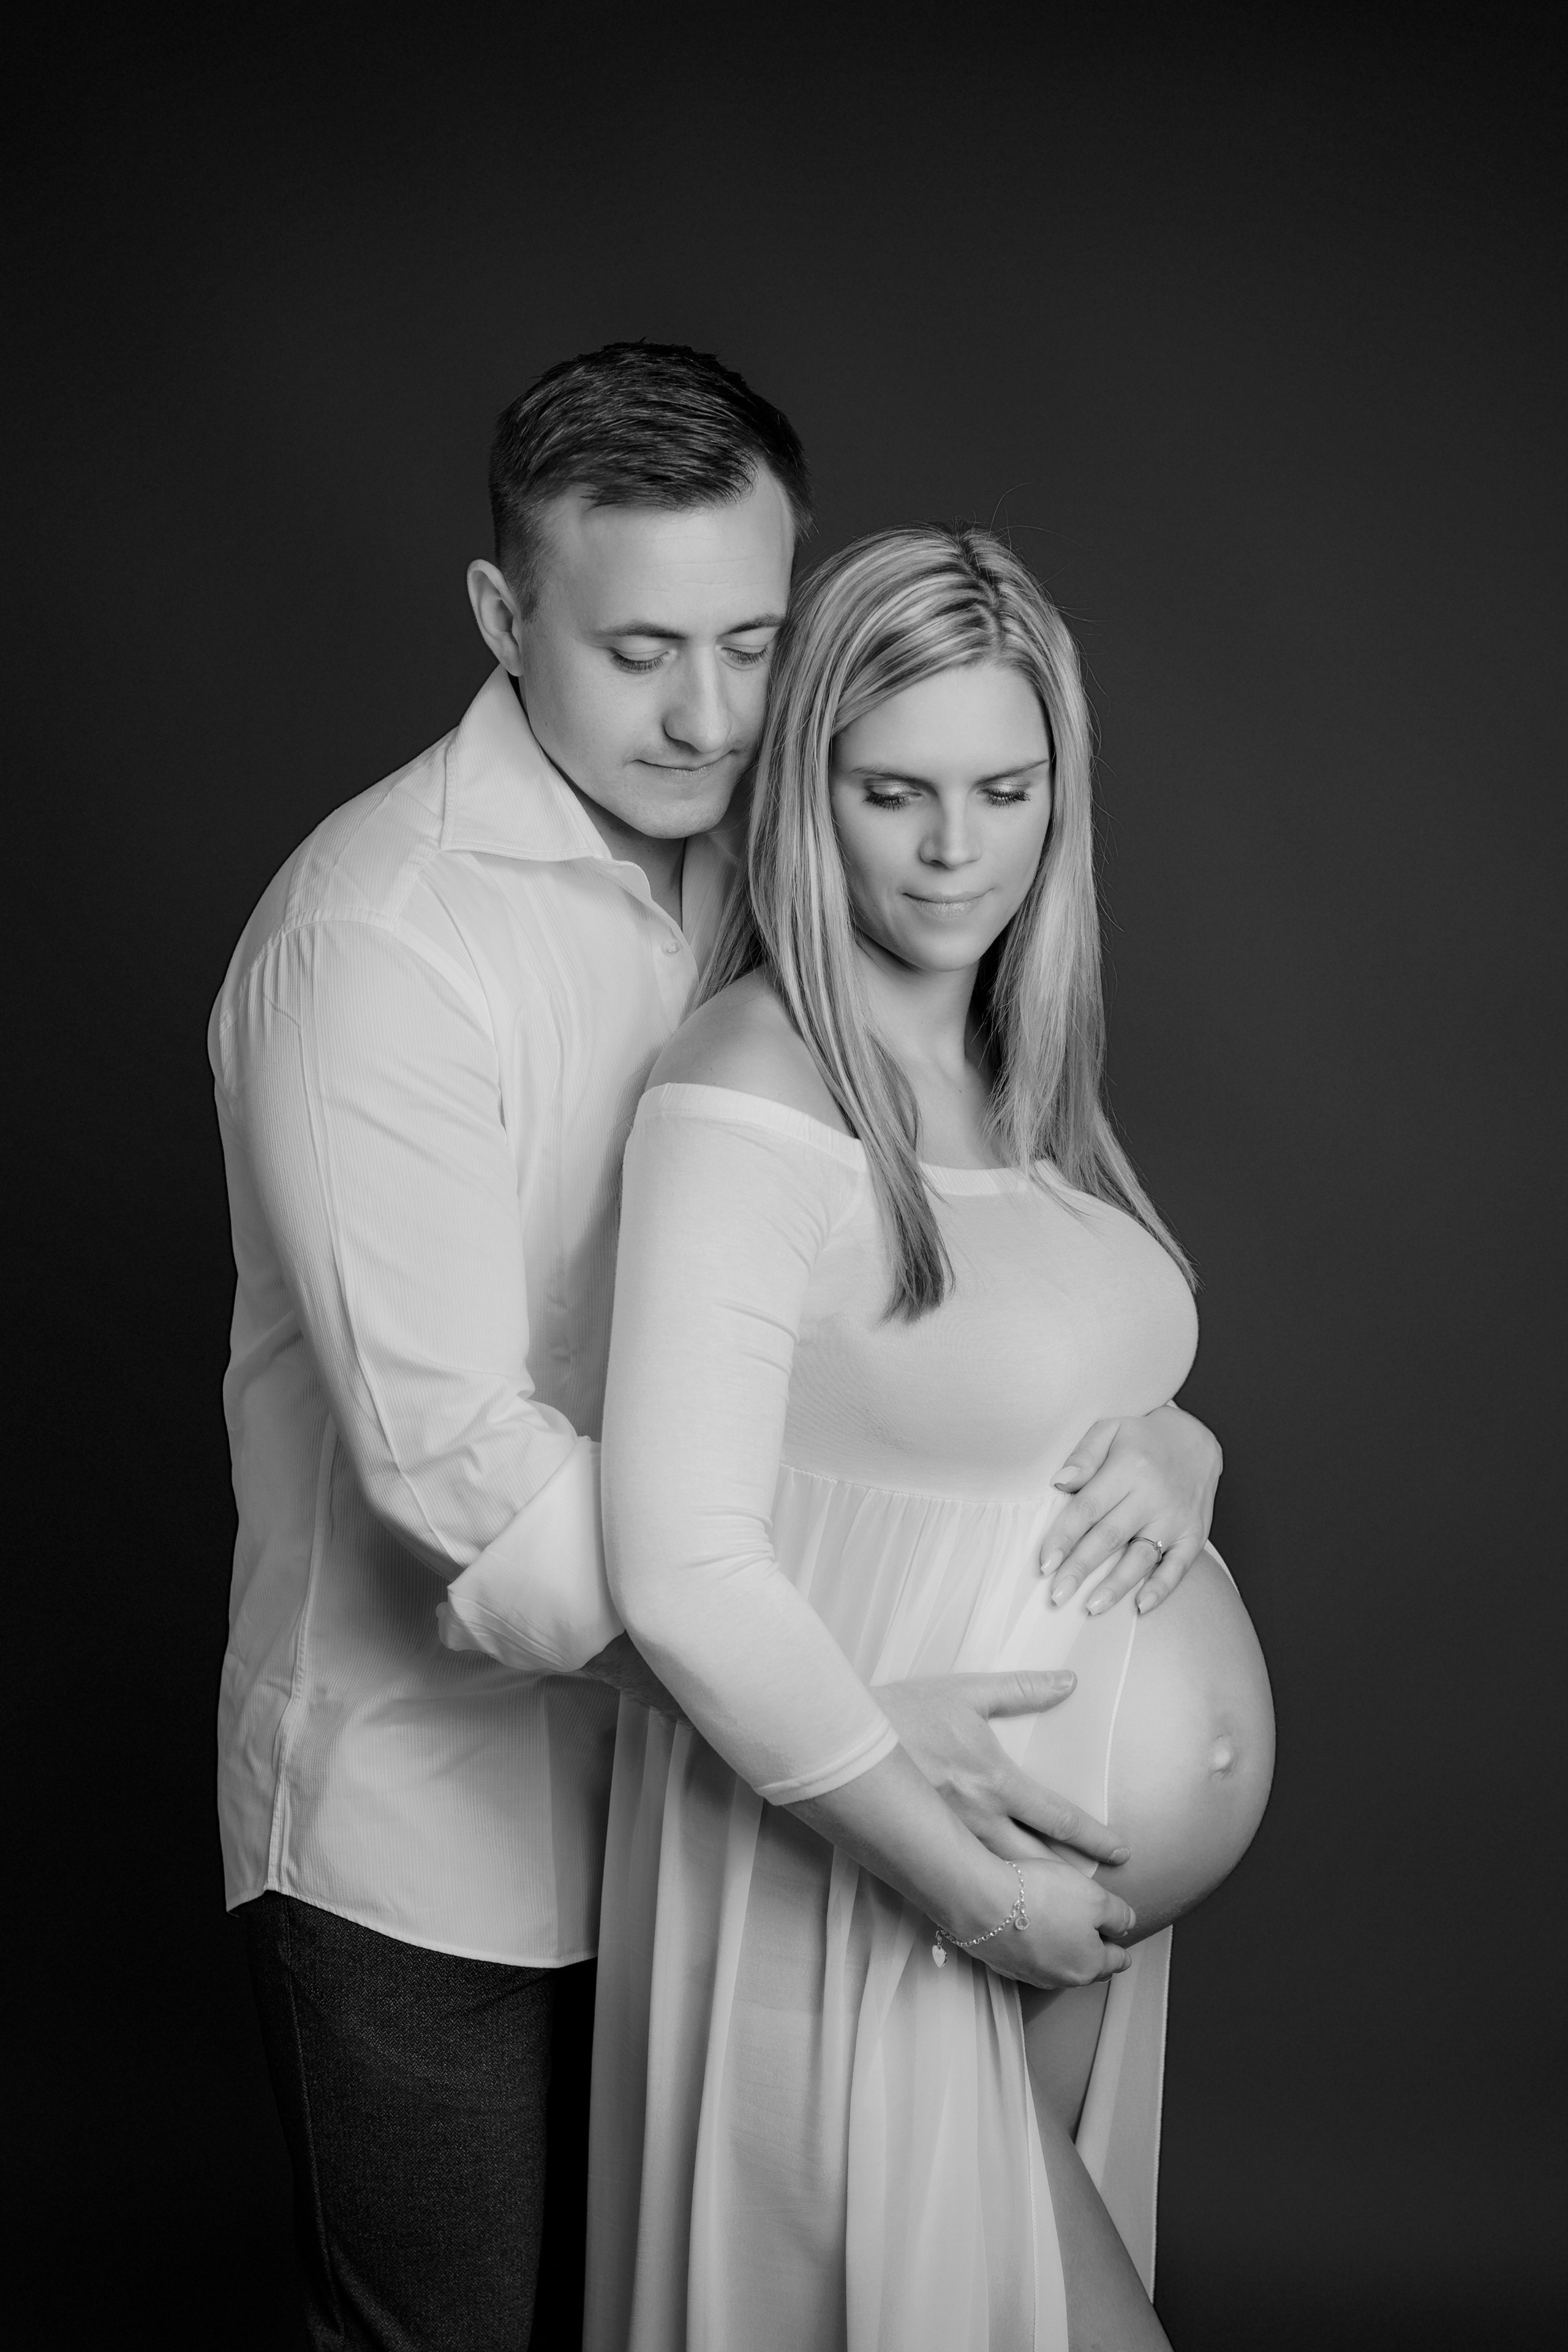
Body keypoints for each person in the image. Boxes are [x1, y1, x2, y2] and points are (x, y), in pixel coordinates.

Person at [210, 345, 1229, 2350]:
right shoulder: (377, 941)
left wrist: (1157, 1427)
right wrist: (834, 1703)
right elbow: (457, 1473)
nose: (706, 715)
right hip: (451, 1838)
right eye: (640, 650)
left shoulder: (790, 886)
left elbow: (919, 1321)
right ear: (507, 619)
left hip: (752, 1830)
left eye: (755, 644)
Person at [586, 526, 1275, 2350]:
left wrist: (1182, 1452)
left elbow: (1007, 1384)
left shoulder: (1011, 1070)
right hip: (886, 1876)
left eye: (1007, 788)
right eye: (896, 793)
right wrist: (974, 1896)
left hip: (1047, 1912)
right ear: (809, 787)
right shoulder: (747, 1088)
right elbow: (677, 1566)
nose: (958, 852)